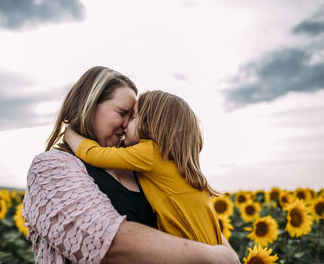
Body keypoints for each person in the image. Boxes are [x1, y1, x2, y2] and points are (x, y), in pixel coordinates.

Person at [23, 66, 240, 263]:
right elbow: (105, 245)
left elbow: (197, 219)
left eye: (133, 116)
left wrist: (224, 254)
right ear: (89, 105)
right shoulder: (52, 166)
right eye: (122, 113)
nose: (127, 124)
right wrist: (212, 256)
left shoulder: (140, 166)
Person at [64, 90, 222, 245]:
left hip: (193, 252)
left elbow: (95, 155)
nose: (125, 124)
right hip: (209, 246)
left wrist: (69, 134)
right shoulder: (174, 160)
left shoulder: (150, 153)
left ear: (151, 123)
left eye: (132, 117)